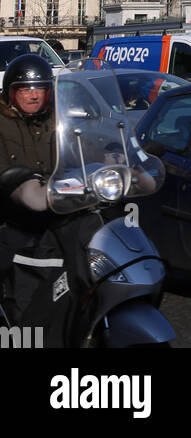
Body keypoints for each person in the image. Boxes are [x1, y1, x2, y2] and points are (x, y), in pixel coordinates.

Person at [0, 55, 91, 344]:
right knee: (16, 275)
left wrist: (110, 156)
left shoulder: (60, 120)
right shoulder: (1, 123)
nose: (33, 94)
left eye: (40, 88)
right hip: (12, 215)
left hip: (58, 211)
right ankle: (19, 331)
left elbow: (83, 146)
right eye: (24, 89)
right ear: (11, 93)